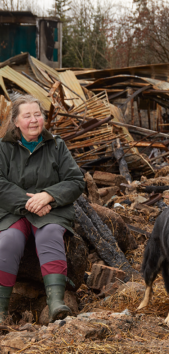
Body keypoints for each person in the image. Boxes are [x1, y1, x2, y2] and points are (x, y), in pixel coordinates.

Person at [0, 95, 85, 323]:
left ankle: (56, 301)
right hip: (13, 211)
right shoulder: (4, 148)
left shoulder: (57, 145)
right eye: (27, 116)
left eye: (37, 114)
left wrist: (48, 195)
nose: (34, 120)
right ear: (16, 122)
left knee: (49, 235)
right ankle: (0, 311)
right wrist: (30, 202)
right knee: (7, 241)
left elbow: (76, 181)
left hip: (51, 210)